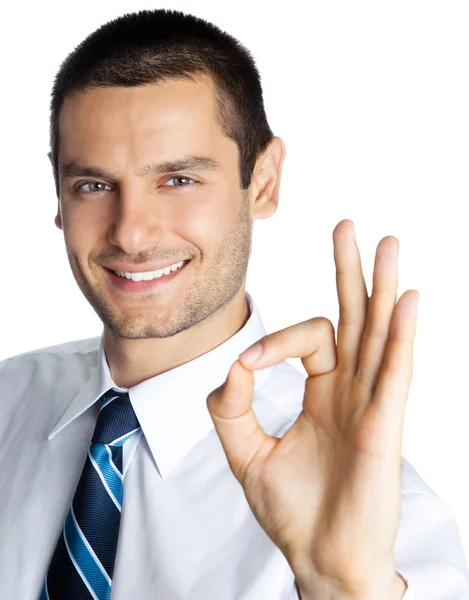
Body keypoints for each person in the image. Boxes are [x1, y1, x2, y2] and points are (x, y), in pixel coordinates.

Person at [0, 8, 467, 600]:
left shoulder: (381, 522)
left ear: (264, 182)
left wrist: (343, 587)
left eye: (179, 180)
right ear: (59, 195)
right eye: (93, 185)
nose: (132, 234)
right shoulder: (7, 400)